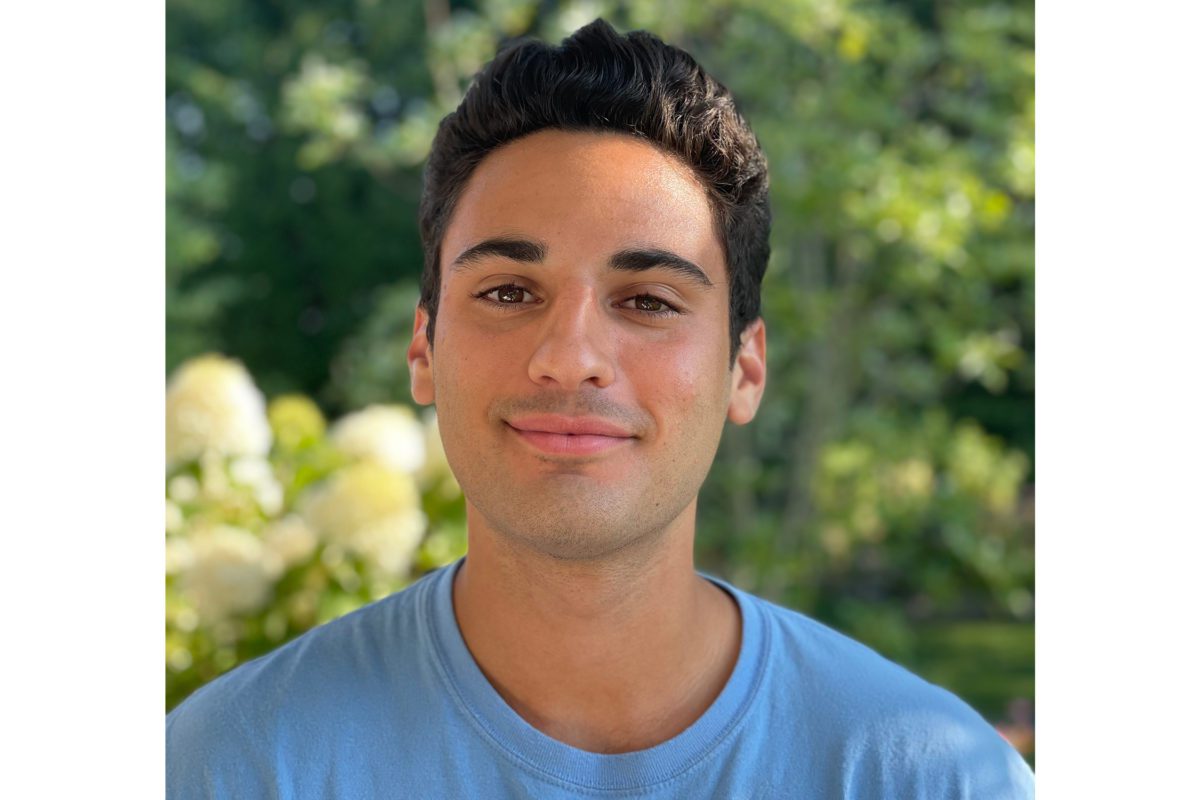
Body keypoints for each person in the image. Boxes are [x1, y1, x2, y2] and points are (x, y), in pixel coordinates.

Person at [166, 19, 1035, 798]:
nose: (571, 357)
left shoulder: (930, 777)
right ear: (424, 349)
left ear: (745, 368)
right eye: (509, 291)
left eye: (649, 301)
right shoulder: (230, 767)